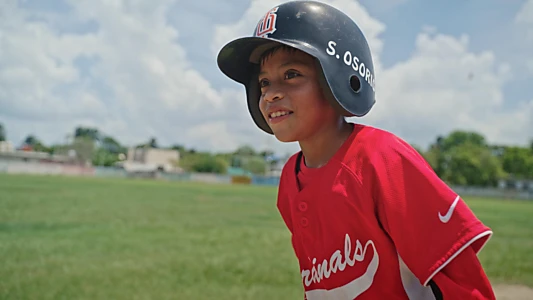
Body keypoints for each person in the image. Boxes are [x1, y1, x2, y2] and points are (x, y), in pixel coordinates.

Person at [216, 1, 496, 299]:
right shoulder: (289, 179)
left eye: (292, 74)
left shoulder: (383, 159)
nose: (271, 93)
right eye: (263, 82)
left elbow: (462, 282)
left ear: (338, 77)